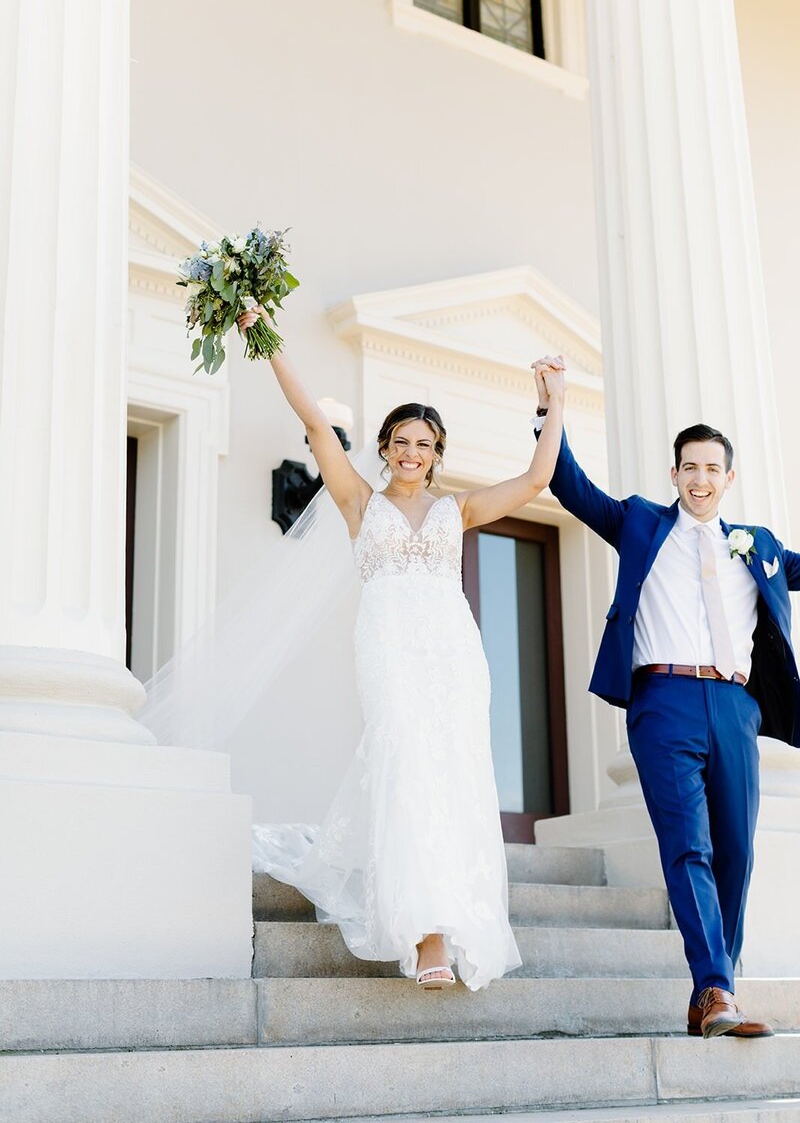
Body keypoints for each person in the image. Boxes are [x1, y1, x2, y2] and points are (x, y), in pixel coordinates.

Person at [242, 306, 565, 989]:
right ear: (384, 447)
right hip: (388, 648)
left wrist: (554, 402)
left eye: (424, 444)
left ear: (437, 453)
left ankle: (444, 926)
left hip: (453, 654)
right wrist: (264, 336)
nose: (412, 453)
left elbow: (538, 480)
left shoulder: (461, 510)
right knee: (405, 764)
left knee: (451, 774)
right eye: (401, 441)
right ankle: (422, 936)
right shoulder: (359, 501)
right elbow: (314, 419)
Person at [531, 356, 800, 1037]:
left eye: (713, 468)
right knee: (689, 846)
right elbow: (570, 485)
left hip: (737, 708)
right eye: (690, 467)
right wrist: (553, 406)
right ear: (674, 474)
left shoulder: (758, 545)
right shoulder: (642, 524)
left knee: (737, 851)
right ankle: (713, 988)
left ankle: (719, 985)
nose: (701, 479)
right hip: (663, 702)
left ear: (728, 478)